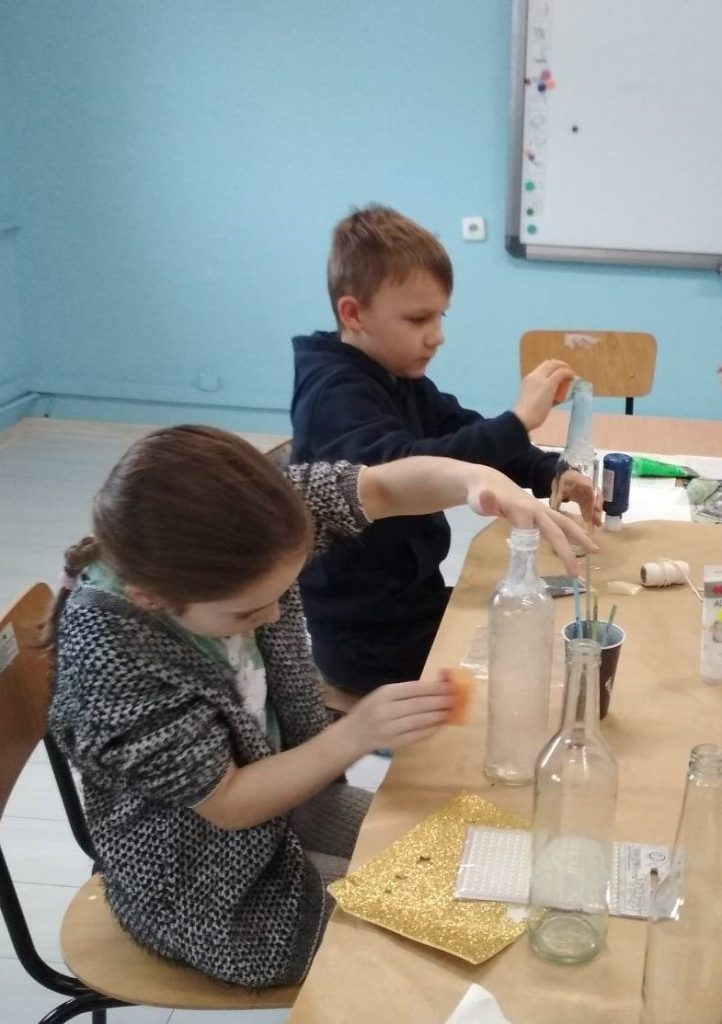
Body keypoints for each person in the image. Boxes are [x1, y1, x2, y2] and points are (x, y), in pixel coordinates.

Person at [47, 424, 591, 989]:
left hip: (291, 805)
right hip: (208, 889)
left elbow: (380, 489)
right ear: (150, 598)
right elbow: (228, 803)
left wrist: (474, 479)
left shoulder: (258, 524)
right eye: (245, 613)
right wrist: (354, 734)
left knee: (489, 870)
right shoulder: (113, 655)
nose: (272, 617)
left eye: (280, 594)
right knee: (456, 944)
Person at [291, 204, 598, 695]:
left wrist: (549, 471)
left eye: (440, 316)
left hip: (411, 603)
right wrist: (518, 420)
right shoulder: (334, 394)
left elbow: (461, 431)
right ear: (354, 313)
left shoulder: (396, 374)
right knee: (532, 669)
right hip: (365, 639)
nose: (437, 336)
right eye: (418, 319)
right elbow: (406, 469)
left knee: (548, 631)